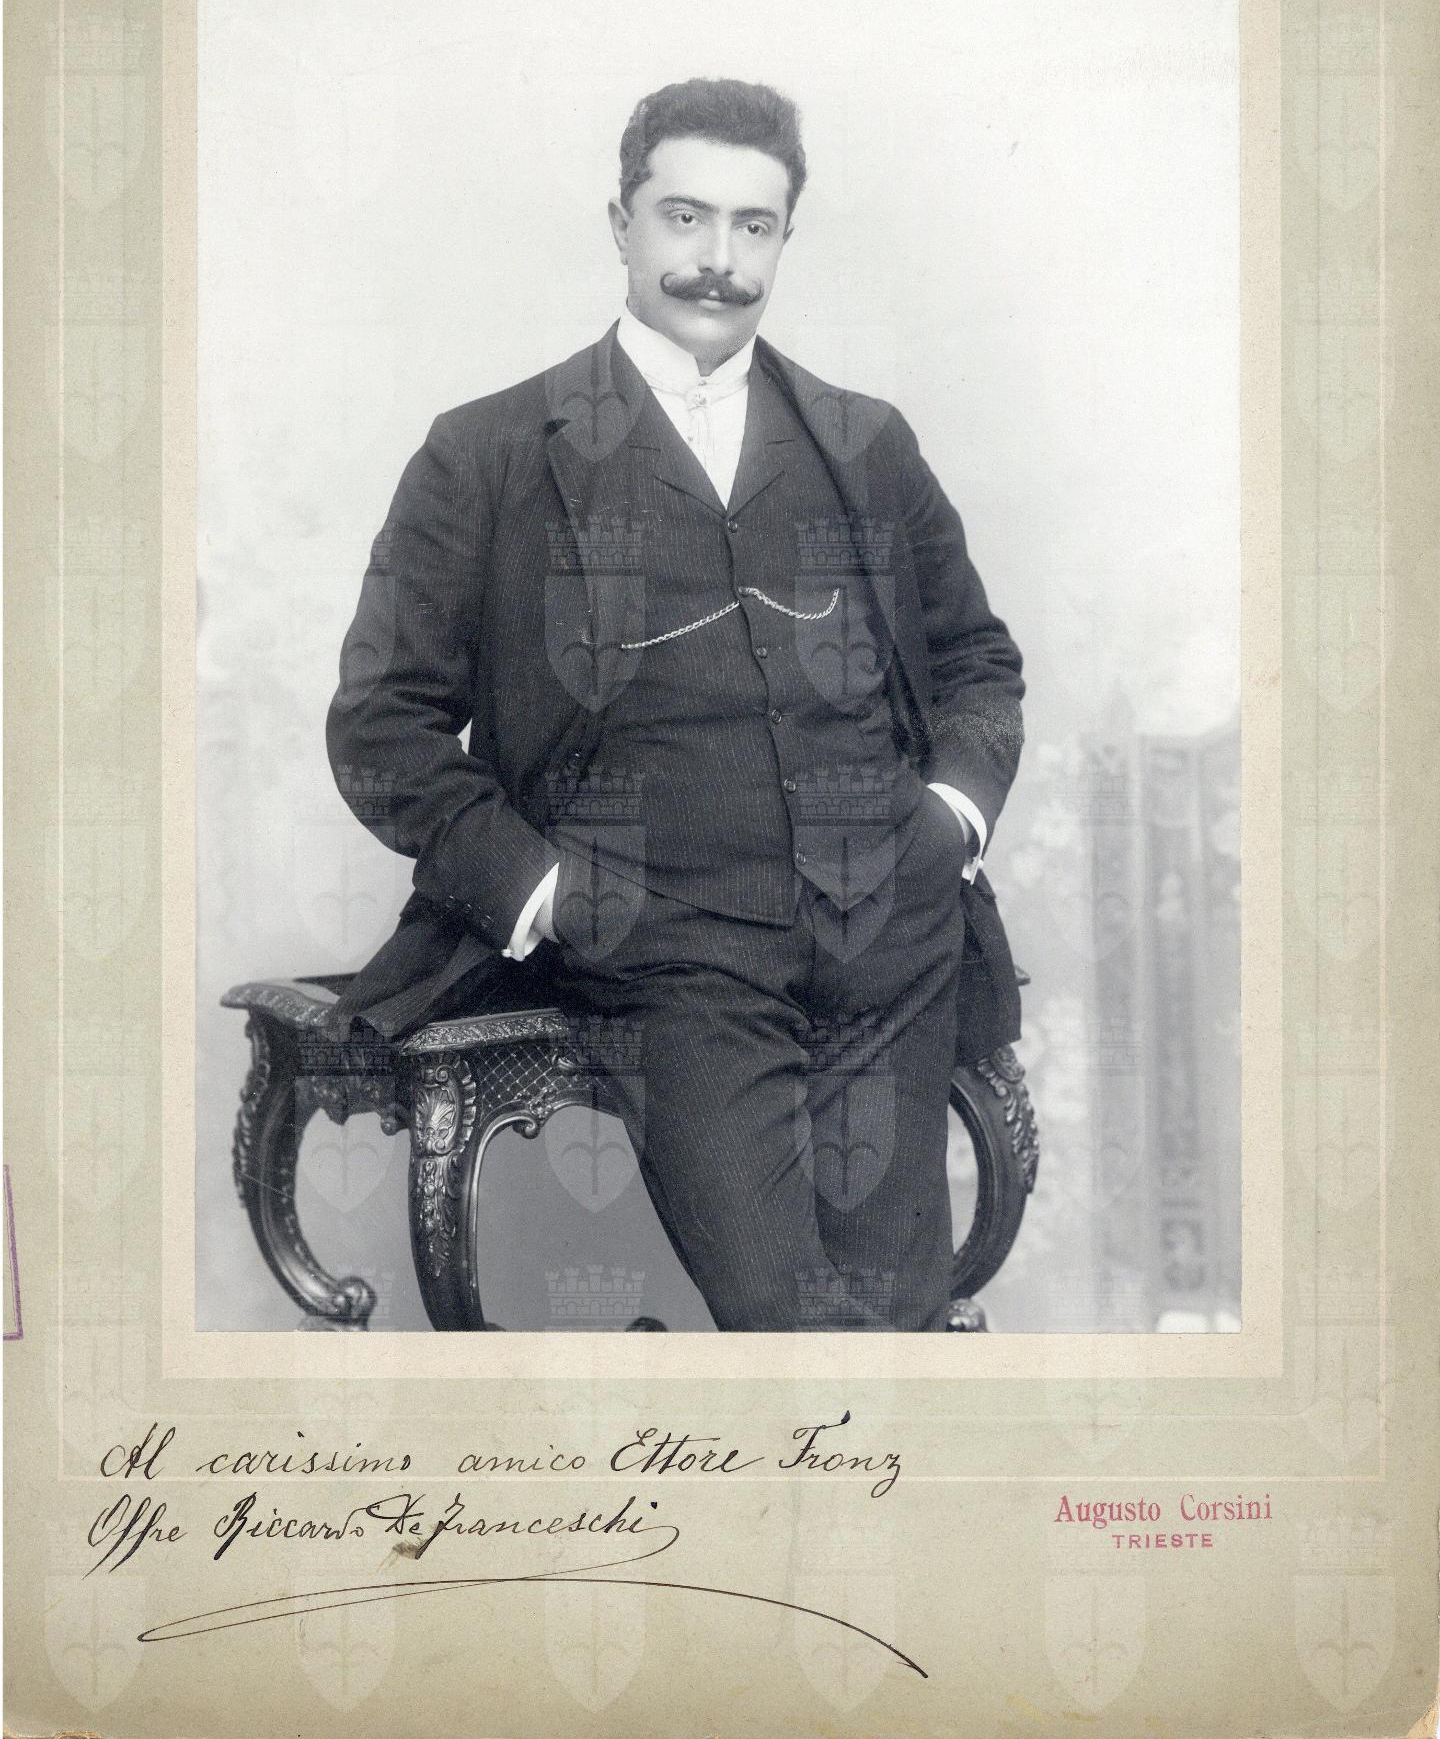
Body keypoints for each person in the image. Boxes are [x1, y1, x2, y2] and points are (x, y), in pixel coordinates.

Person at [326, 77, 1025, 1331]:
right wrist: (549, 891)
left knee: (900, 1322)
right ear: (622, 222)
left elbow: (977, 657)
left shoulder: (866, 443)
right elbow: (380, 724)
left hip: (893, 935)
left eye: (754, 225)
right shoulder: (488, 453)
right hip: (669, 954)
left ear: (786, 236)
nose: (718, 259)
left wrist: (950, 822)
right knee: (792, 1324)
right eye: (685, 217)